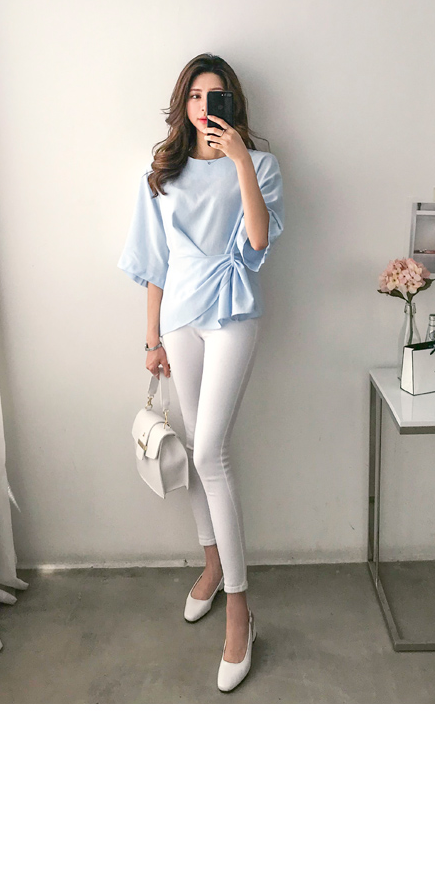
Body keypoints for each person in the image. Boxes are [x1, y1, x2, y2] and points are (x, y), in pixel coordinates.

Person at [118, 55, 283, 690]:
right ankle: (212, 565)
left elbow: (259, 240)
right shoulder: (162, 174)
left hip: (233, 308)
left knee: (212, 451)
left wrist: (239, 160)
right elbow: (155, 262)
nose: (204, 107)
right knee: (192, 448)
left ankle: (239, 610)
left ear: (232, 103)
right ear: (182, 104)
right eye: (194, 95)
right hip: (180, 318)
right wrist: (152, 338)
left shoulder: (261, 164)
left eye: (216, 96)